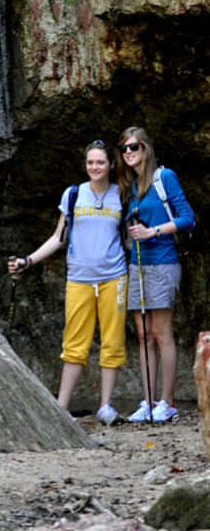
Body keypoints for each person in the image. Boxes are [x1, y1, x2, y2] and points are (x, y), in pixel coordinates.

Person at [8, 140, 127, 426]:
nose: (95, 167)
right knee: (74, 342)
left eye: (100, 162)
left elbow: (129, 239)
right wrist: (29, 260)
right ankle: (61, 408)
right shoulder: (74, 195)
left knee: (113, 342)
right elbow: (58, 238)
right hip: (79, 278)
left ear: (111, 164)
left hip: (114, 277)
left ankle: (106, 407)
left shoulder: (122, 195)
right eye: (90, 162)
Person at [118, 126, 195, 424]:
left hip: (163, 262)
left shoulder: (164, 177)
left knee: (162, 334)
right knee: (143, 335)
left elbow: (187, 218)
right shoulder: (134, 188)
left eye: (134, 147)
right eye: (124, 148)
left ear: (146, 148)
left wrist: (152, 231)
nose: (128, 153)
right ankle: (148, 402)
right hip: (138, 264)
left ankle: (168, 402)